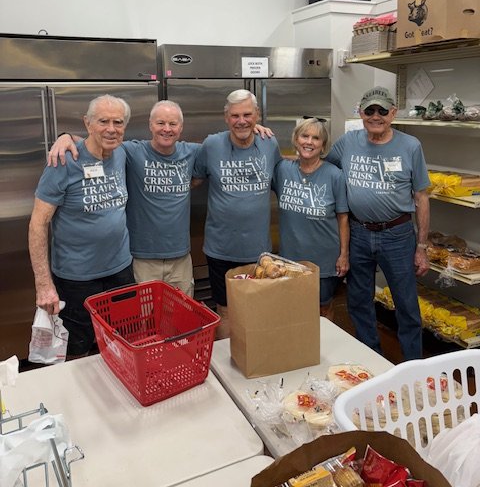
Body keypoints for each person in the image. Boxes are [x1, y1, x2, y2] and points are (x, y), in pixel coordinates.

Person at [49, 100, 272, 298]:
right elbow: (95, 141)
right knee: (145, 325)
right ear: (150, 125)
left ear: (181, 128)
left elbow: (227, 147)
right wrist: (65, 137)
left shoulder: (194, 152)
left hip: (181, 259)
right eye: (160, 123)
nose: (167, 129)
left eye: (173, 124)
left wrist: (254, 130)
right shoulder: (130, 151)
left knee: (181, 321)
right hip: (141, 259)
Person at [326, 86, 430, 361]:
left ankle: (413, 368)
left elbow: (421, 197)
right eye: (370, 110)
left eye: (382, 110)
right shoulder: (347, 142)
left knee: (406, 305)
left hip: (397, 235)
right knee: (358, 301)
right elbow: (323, 167)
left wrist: (421, 246)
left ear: (393, 113)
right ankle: (371, 359)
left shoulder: (410, 146)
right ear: (360, 112)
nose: (376, 116)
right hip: (358, 233)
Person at [29, 94, 135, 357]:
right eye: (103, 121)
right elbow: (38, 223)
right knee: (78, 349)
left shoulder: (121, 153)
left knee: (122, 341)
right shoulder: (64, 162)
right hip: (76, 278)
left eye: (118, 122)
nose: (111, 128)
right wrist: (43, 284)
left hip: (120, 270)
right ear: (87, 124)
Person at [193, 89, 281, 337]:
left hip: (258, 251)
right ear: (226, 117)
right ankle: (229, 367)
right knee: (225, 309)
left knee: (258, 308)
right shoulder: (211, 145)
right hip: (221, 247)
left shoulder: (269, 142)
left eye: (247, 114)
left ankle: (256, 359)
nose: (241, 120)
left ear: (257, 115)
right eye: (235, 116)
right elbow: (194, 179)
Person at [272, 117, 349, 320]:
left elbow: (343, 218)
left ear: (323, 144)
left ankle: (321, 349)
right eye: (304, 136)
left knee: (322, 310)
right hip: (289, 259)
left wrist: (343, 255)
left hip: (323, 260)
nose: (309, 142)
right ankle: (298, 348)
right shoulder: (282, 170)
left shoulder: (334, 175)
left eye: (316, 138)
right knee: (292, 308)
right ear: (296, 140)